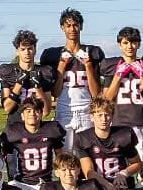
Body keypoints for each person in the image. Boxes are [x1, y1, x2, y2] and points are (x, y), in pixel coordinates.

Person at [39, 8, 105, 148]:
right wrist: (61, 67)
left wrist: (88, 66)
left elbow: (95, 94)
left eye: (75, 25)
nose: (72, 29)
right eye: (68, 25)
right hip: (64, 110)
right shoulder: (52, 54)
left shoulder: (93, 52)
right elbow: (55, 93)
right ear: (62, 27)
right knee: (65, 158)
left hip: (87, 111)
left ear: (81, 26)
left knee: (88, 155)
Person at [73, 96, 142, 190]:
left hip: (119, 183)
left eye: (107, 114)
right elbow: (88, 172)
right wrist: (108, 186)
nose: (103, 119)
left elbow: (137, 163)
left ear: (112, 116)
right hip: (96, 183)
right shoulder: (83, 138)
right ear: (91, 117)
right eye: (99, 115)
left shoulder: (123, 135)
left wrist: (123, 173)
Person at [3, 96, 66, 190]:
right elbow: (3, 155)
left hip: (44, 184)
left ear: (42, 113)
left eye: (36, 110)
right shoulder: (13, 131)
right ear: (22, 115)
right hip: (21, 182)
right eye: (28, 111)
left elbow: (60, 157)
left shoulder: (52, 129)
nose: (32, 114)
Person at [99, 26, 143, 146]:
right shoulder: (112, 65)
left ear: (139, 44)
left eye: (133, 42)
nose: (129, 46)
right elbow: (107, 99)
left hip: (142, 121)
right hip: (118, 121)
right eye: (125, 43)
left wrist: (142, 75)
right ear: (119, 45)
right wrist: (118, 75)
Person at [0, 29, 55, 125]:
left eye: (30, 48)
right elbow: (7, 108)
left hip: (35, 125)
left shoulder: (45, 72)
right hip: (15, 126)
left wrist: (38, 88)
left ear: (35, 50)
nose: (27, 52)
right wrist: (18, 84)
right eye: (23, 49)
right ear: (17, 51)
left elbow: (45, 112)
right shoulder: (8, 71)